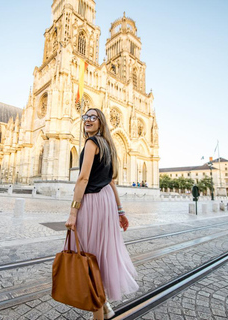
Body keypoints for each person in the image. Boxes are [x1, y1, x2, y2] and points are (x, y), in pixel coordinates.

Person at [65, 108, 139, 320]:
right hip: (106, 200)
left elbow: (82, 179)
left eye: (93, 117)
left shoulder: (90, 143)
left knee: (89, 260)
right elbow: (112, 181)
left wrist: (72, 212)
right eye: (85, 117)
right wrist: (120, 210)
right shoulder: (108, 144)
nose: (87, 120)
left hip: (93, 201)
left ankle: (98, 314)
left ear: (101, 122)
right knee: (100, 254)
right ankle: (104, 307)